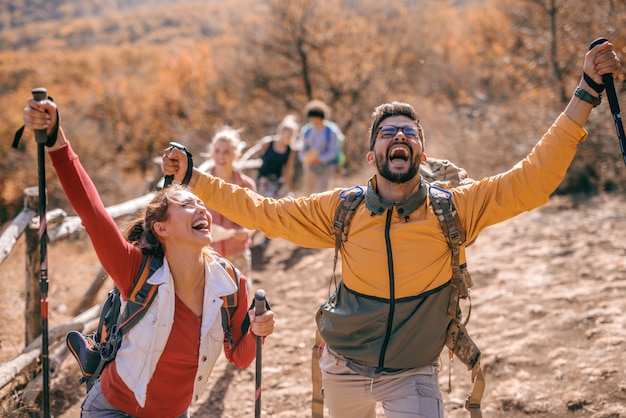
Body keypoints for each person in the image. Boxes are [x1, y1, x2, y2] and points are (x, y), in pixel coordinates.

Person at [162, 41, 620, 417]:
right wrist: (193, 179)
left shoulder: (455, 210)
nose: (399, 136)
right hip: (342, 364)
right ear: (370, 156)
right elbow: (262, 211)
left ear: (422, 152)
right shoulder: (342, 210)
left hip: (413, 371)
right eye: (387, 133)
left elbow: (532, 178)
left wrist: (584, 93)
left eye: (409, 132)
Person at [22, 103, 275, 418]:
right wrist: (58, 143)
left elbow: (239, 357)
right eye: (187, 204)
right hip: (113, 409)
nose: (202, 209)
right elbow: (92, 212)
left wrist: (256, 332)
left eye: (202, 203)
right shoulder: (136, 268)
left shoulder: (230, 283)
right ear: (162, 228)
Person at [206, 126, 257, 282]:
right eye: (217, 151)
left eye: (226, 152)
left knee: (241, 299)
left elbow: (256, 218)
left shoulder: (246, 185)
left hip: (238, 253)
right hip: (209, 255)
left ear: (235, 155)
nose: (221, 156)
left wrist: (247, 233)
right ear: (212, 152)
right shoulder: (202, 184)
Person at [242, 114, 299, 198]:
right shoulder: (269, 142)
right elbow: (254, 152)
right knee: (258, 198)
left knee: (269, 201)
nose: (287, 135)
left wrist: (289, 187)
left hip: (275, 181)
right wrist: (243, 162)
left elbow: (288, 169)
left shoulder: (290, 150)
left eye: (289, 133)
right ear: (281, 131)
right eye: (286, 132)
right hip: (262, 178)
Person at [297, 100, 344, 195]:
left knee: (320, 193)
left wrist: (320, 159)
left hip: (326, 167)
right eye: (311, 118)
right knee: (308, 193)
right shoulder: (306, 131)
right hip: (310, 167)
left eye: (316, 118)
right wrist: (306, 159)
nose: (313, 120)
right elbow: (301, 148)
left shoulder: (331, 131)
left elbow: (333, 150)